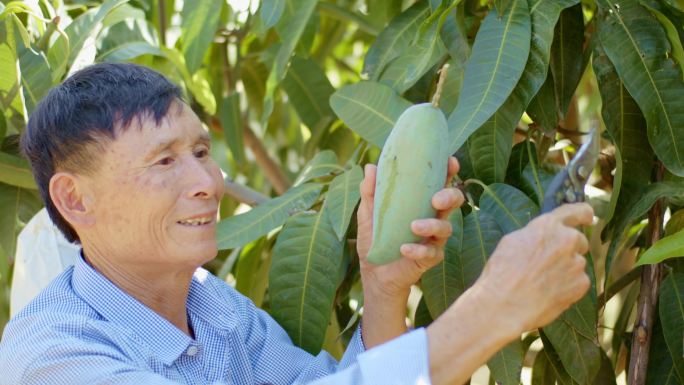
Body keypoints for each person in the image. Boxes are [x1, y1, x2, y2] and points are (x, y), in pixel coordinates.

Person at [0, 63, 592, 385]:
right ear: (76, 200)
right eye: (163, 161)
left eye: (202, 152)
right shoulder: (52, 355)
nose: (208, 181)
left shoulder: (216, 310)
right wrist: (491, 310)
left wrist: (383, 286)